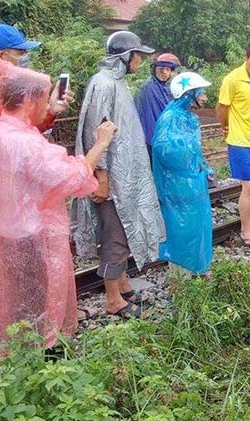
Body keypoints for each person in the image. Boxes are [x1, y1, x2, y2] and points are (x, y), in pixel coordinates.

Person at [0, 61, 116, 356]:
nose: (45, 103)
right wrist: (101, 144)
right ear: (27, 99)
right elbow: (72, 176)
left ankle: (21, 353)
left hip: (7, 229)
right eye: (43, 97)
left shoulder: (1, 130)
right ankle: (43, 356)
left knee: (17, 301)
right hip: (31, 236)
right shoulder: (26, 143)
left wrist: (49, 110)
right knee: (38, 303)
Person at [73, 31, 165, 318]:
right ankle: (113, 299)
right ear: (125, 57)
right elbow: (94, 134)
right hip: (112, 181)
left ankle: (122, 283)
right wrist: (101, 176)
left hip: (125, 177)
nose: (140, 60)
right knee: (115, 233)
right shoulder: (104, 84)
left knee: (124, 231)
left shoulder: (117, 83)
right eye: (138, 55)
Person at [0, 23, 73, 207]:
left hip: (22, 189)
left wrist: (51, 110)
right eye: (20, 54)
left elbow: (27, 131)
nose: (25, 59)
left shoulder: (15, 89)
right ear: (3, 56)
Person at [152, 72, 214, 275]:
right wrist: (190, 154)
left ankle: (197, 268)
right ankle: (181, 278)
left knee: (196, 225)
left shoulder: (186, 116)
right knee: (181, 229)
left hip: (190, 182)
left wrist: (202, 166)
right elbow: (166, 150)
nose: (205, 97)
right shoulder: (171, 118)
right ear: (190, 94)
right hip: (178, 185)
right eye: (201, 93)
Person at [217, 39, 250, 247]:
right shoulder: (232, 79)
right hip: (239, 140)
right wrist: (226, 127)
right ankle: (245, 229)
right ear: (245, 58)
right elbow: (222, 108)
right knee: (248, 185)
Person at [134, 53, 181, 158]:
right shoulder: (147, 88)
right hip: (151, 139)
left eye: (168, 70)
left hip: (164, 138)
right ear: (154, 69)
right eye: (161, 69)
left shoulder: (166, 88)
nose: (164, 73)